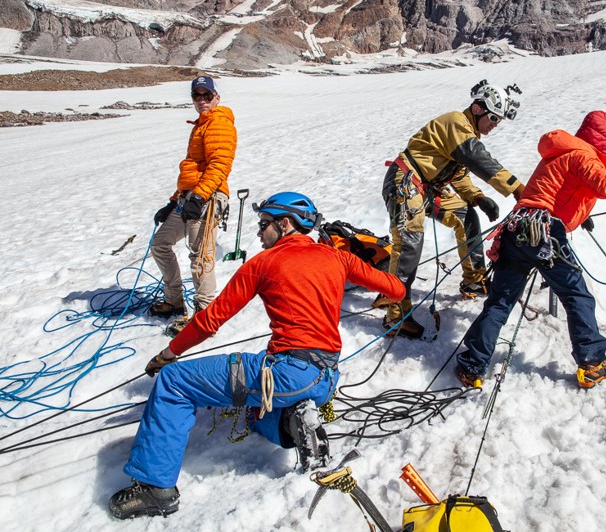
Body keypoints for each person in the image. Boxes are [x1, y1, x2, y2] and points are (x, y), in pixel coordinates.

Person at [109, 192, 406, 520]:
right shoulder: (338, 258)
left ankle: (154, 487)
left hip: (285, 373)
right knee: (254, 405)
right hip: (325, 378)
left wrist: (168, 354)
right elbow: (396, 289)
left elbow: (210, 320)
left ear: (284, 223)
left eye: (263, 224)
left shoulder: (263, 264)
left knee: (175, 382)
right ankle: (290, 419)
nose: (258, 231)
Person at [454, 111, 606, 389]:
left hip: (517, 229)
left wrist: (579, 213)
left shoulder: (557, 154)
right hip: (543, 232)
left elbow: (555, 191)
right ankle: (592, 362)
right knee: (577, 295)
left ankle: (471, 365)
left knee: (500, 302)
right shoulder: (583, 156)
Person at [381, 80, 525, 339]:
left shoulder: (466, 133)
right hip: (405, 182)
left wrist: (477, 197)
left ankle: (473, 279)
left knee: (466, 217)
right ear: (478, 108)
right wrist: (516, 188)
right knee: (409, 245)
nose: (495, 124)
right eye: (493, 117)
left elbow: (458, 175)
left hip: (425, 188)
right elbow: (476, 157)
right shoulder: (456, 123)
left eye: (499, 120)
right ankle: (395, 315)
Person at [148, 75, 237, 331]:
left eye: (206, 96)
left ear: (216, 98)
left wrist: (199, 196)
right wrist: (174, 201)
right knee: (161, 244)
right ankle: (175, 302)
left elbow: (220, 165)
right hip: (190, 196)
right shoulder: (200, 125)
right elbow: (192, 170)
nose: (201, 101)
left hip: (208, 196)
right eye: (196, 96)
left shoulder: (219, 123)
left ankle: (205, 315)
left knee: (200, 255)